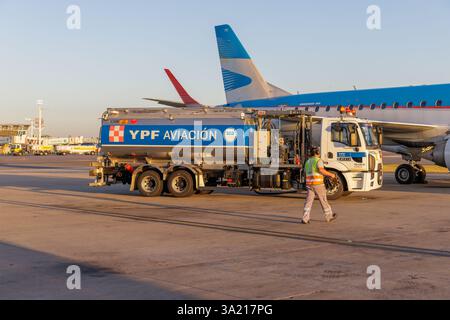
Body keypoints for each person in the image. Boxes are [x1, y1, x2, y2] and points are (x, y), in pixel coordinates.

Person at [302, 146, 338, 224]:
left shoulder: (307, 161)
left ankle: (305, 218)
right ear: (317, 153)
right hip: (318, 184)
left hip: (309, 184)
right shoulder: (318, 160)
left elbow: (305, 173)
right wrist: (331, 175)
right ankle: (329, 216)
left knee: (308, 201)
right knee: (323, 200)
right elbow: (321, 170)